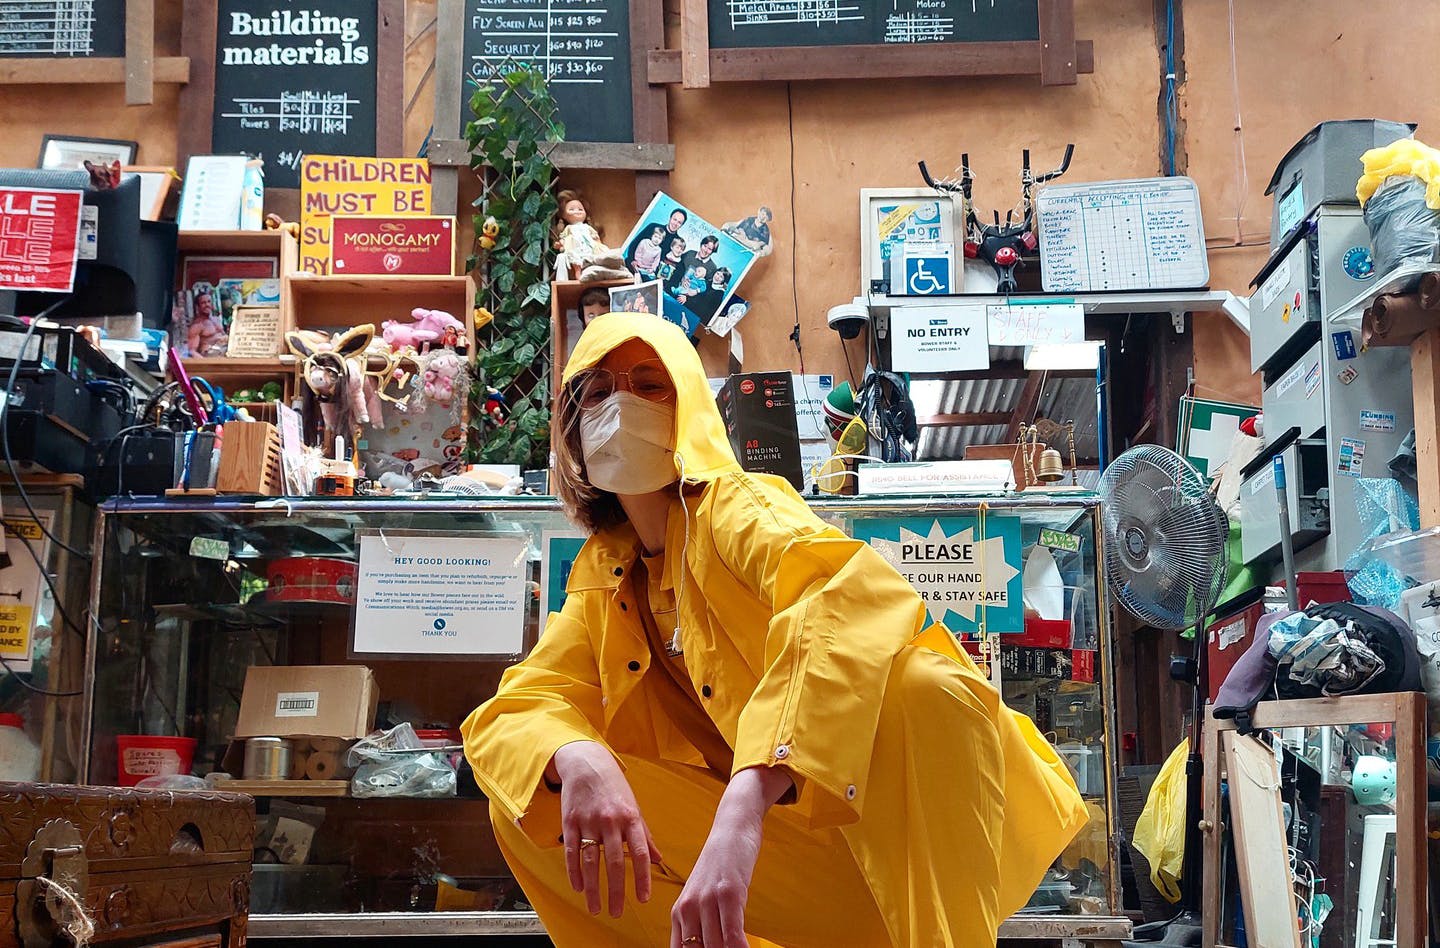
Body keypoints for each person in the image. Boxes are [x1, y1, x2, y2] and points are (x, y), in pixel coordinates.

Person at [461, 315, 1087, 948]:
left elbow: (843, 595)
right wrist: (578, 754)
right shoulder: (605, 572)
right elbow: (516, 708)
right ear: (573, 429)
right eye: (596, 392)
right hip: (791, 866)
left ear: (690, 409)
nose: (619, 404)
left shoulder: (739, 507)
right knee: (532, 796)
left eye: (648, 385)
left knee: (925, 686)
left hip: (890, 846)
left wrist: (747, 800)